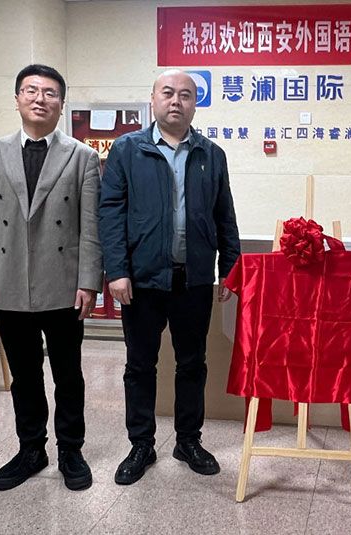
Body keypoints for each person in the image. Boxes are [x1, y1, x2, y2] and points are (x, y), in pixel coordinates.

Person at [99, 69, 240, 485]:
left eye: (185, 95)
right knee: (140, 365)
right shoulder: (127, 149)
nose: (176, 100)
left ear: (195, 103)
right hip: (141, 282)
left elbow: (224, 215)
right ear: (153, 99)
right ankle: (141, 444)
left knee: (192, 364)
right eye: (168, 93)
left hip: (193, 280)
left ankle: (188, 441)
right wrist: (116, 270)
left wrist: (229, 269)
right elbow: (111, 213)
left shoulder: (211, 154)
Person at [0, 64, 102, 491]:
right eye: (31, 90)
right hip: (8, 284)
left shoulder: (82, 157)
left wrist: (89, 282)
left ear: (61, 104)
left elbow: (90, 228)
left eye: (49, 93)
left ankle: (70, 449)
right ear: (17, 99)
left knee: (68, 374)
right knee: (24, 376)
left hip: (63, 285)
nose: (40, 98)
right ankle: (31, 449)